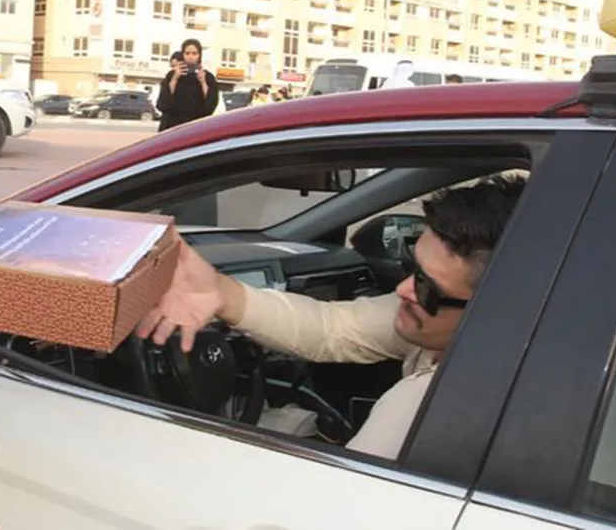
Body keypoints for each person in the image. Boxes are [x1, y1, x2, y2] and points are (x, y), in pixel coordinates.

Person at [137, 174, 527, 460]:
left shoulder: (422, 411)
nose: (403, 288)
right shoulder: (459, 332)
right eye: (411, 266)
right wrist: (220, 292)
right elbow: (335, 328)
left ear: (493, 311)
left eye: (427, 287)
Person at [156, 38, 219, 131]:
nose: (190, 57)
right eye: (187, 53)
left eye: (194, 53)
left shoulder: (208, 77)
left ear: (199, 55)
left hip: (196, 128)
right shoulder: (172, 75)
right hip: (172, 127)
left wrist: (203, 82)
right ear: (183, 54)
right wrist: (175, 78)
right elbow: (162, 104)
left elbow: (210, 107)